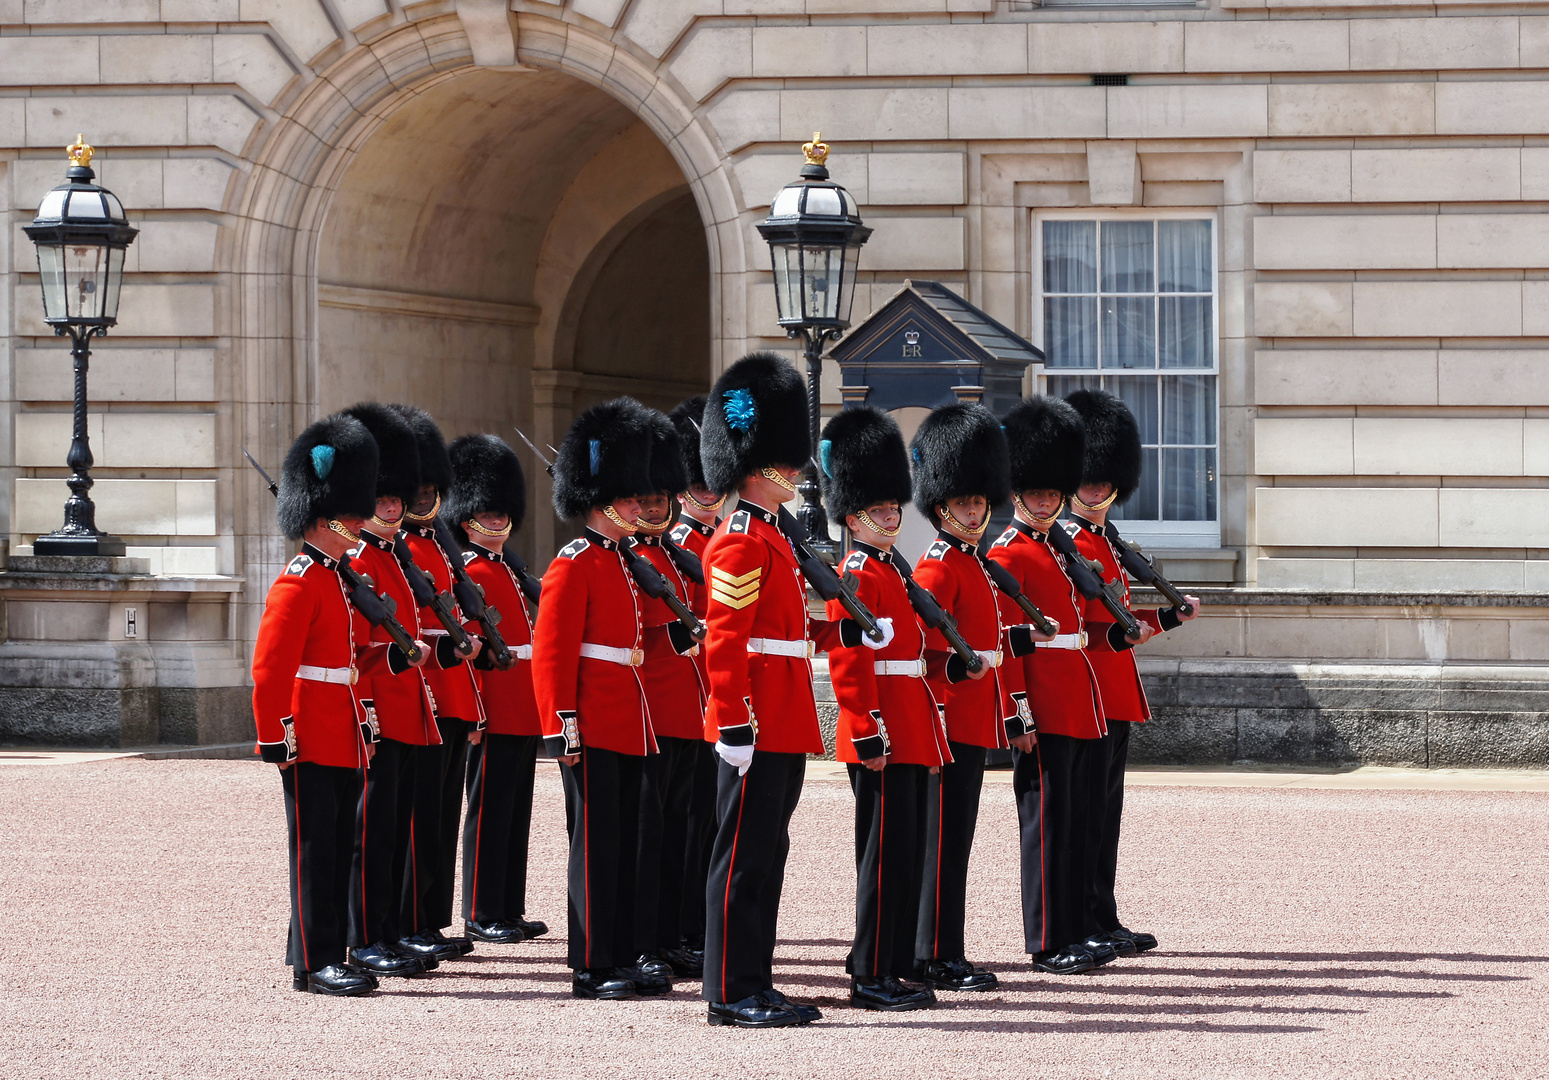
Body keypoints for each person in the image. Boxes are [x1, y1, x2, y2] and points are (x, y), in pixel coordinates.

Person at [697, 353, 894, 1028]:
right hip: (755, 719)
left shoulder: (775, 537)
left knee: (766, 855)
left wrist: (834, 636)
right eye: (786, 459)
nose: (798, 470)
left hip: (780, 715)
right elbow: (724, 640)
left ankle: (754, 978)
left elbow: (777, 634)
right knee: (743, 858)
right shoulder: (740, 540)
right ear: (757, 464)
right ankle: (729, 988)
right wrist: (732, 720)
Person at [252, 413, 427, 995]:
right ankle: (314, 959)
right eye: (351, 515)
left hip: (345, 729)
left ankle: (327, 950)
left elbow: (353, 659)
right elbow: (271, 669)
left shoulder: (337, 577)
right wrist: (277, 736)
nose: (360, 522)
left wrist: (394, 659)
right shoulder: (298, 581)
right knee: (314, 851)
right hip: (311, 731)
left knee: (337, 846)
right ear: (325, 519)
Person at [908, 402, 1053, 992]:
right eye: (963, 503)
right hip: (950, 720)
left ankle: (946, 948)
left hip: (974, 720)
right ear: (941, 505)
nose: (973, 510)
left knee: (956, 840)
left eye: (977, 501)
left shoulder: (974, 564)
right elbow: (922, 650)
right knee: (942, 841)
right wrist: (950, 685)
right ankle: (934, 953)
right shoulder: (939, 565)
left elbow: (981, 636)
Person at [531, 397, 672, 1001]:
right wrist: (563, 724)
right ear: (602, 496)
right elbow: (553, 653)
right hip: (590, 721)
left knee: (628, 844)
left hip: (630, 716)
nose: (641, 504)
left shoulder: (624, 561)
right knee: (594, 844)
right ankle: (591, 963)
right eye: (631, 495)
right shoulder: (573, 565)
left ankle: (620, 950)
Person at [819, 407, 951, 1012]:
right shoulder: (854, 574)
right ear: (853, 516)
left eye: (895, 510)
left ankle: (891, 963)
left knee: (904, 853)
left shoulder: (889, 569)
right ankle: (869, 973)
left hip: (910, 722)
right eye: (880, 511)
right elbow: (849, 659)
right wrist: (866, 728)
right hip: (882, 731)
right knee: (880, 857)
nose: (891, 518)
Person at [1063, 390, 1201, 959]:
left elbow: (1120, 616)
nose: (1095, 492)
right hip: (1086, 687)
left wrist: (1167, 616)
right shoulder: (1068, 543)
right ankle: (1082, 918)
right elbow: (1080, 627)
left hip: (1115, 688)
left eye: (1102, 483)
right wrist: (1132, 630)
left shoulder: (1105, 540)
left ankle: (1103, 912)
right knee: (1085, 815)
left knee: (1105, 815)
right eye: (1088, 483)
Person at [988, 397, 1111, 976]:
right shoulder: (1007, 552)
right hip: (1043, 704)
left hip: (1077, 699)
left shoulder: (1053, 550)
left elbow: (1084, 631)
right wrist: (1019, 714)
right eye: (1034, 493)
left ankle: (1074, 929)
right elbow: (1009, 641)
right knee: (1045, 825)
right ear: (1017, 493)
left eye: (1050, 493)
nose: (1043, 501)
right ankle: (1045, 939)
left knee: (1073, 823)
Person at [340, 402, 448, 978]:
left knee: (395, 831)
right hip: (379, 711)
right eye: (381, 498)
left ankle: (386, 930)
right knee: (371, 832)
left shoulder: (390, 556)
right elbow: (357, 649)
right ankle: (364, 937)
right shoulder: (359, 560)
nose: (390, 507)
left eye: (395, 498)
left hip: (409, 709)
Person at [444, 433, 549, 946]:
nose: (496, 521)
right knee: (488, 811)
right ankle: (482, 910)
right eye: (486, 514)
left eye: (500, 513)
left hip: (524, 701)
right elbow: (469, 649)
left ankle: (509, 905)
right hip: (494, 702)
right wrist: (477, 713)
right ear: (467, 520)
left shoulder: (512, 568)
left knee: (516, 809)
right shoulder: (468, 572)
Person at [389, 404, 484, 960]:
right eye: (415, 492)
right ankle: (406, 918)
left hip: (449, 689)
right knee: (413, 818)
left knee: (441, 815)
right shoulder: (393, 549)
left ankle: (429, 917)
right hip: (416, 689)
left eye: (429, 492)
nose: (423, 500)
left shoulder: (438, 545)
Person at [632, 409, 708, 982]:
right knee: (648, 833)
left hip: (686, 706)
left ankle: (676, 933)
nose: (656, 508)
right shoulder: (626, 558)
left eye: (662, 499)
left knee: (681, 828)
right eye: (646, 500)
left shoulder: (673, 556)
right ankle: (646, 939)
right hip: (647, 710)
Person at [665, 395, 720, 969]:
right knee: (683, 822)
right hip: (686, 700)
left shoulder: (719, 541)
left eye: (713, 486)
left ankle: (702, 924)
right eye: (699, 487)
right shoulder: (672, 547)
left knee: (709, 821)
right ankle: (682, 927)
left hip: (718, 698)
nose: (708, 496)